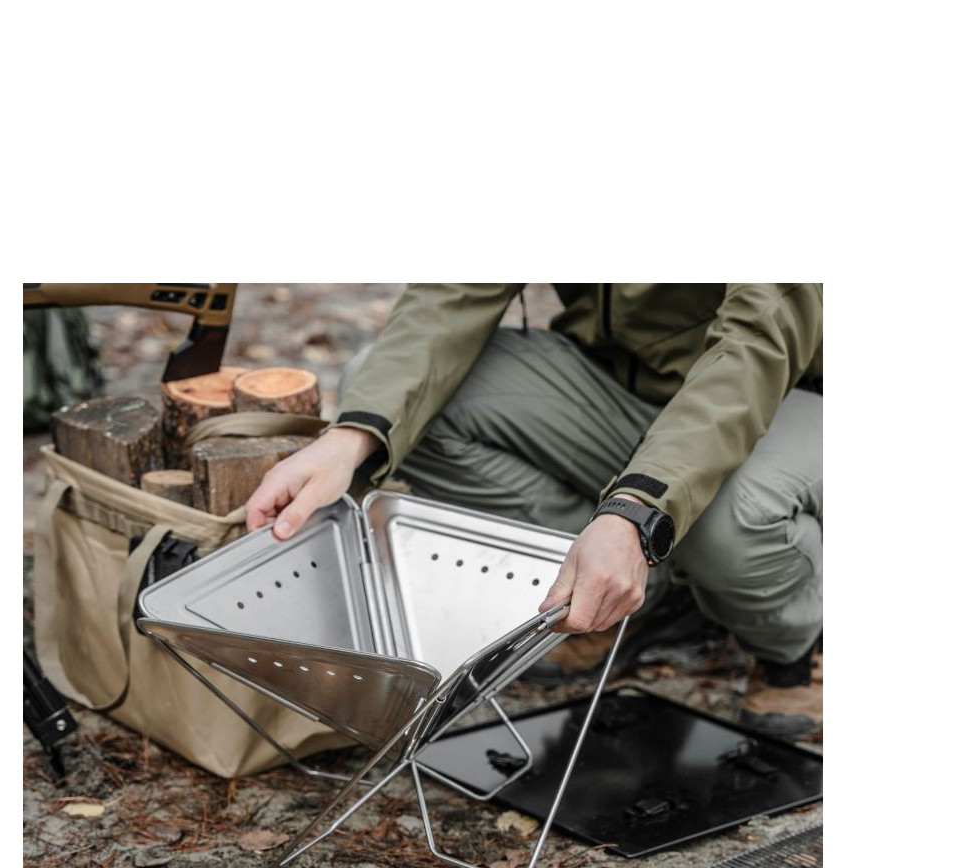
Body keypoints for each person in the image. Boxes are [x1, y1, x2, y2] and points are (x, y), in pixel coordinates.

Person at [246, 284, 823, 738]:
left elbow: (754, 345)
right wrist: (350, 437)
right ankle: (638, 595)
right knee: (391, 400)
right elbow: (451, 296)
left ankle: (797, 650)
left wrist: (638, 511)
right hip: (621, 382)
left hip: (788, 389)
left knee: (728, 515)